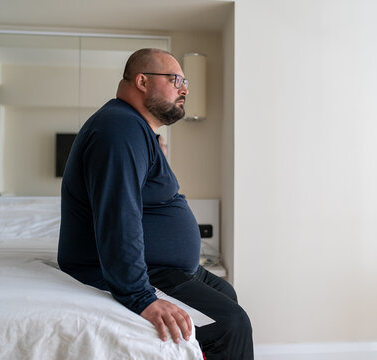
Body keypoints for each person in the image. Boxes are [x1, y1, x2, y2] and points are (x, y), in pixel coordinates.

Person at [58, 48, 253, 359]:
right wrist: (140, 297)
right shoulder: (119, 129)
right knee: (231, 324)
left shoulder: (134, 128)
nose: (185, 88)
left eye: (185, 82)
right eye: (176, 80)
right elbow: (119, 215)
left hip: (165, 267)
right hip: (146, 273)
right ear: (142, 81)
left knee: (226, 294)